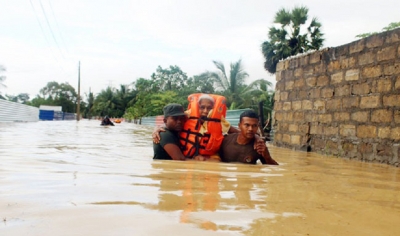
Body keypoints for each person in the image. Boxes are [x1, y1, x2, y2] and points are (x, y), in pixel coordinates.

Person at [153, 93, 239, 161]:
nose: (205, 111)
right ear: (197, 107)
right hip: (187, 157)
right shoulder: (188, 116)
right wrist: (157, 128)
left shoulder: (219, 121)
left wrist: (253, 136)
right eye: (202, 107)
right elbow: (169, 121)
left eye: (209, 108)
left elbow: (238, 132)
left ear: (213, 109)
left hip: (208, 157)